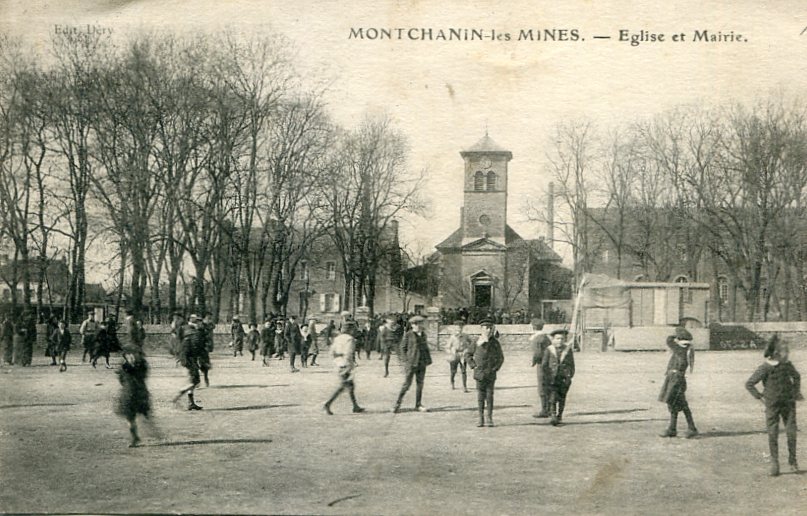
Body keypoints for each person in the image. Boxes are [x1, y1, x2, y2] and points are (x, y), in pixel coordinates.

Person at [746, 336, 803, 476]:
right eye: (786, 352)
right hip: (772, 405)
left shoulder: (787, 365)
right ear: (777, 353)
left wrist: (796, 392)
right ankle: (774, 462)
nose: (788, 354)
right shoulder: (765, 367)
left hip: (788, 404)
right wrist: (760, 398)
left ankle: (792, 461)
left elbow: (796, 377)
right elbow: (750, 384)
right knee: (773, 433)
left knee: (791, 433)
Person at [116, 347, 162, 447]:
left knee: (145, 415)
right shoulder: (124, 366)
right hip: (129, 393)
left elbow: (141, 375)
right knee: (130, 417)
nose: (132, 357)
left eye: (133, 355)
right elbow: (121, 379)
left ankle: (154, 433)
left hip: (138, 393)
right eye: (129, 355)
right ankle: (135, 437)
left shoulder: (141, 365)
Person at [658, 327, 698, 438]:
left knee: (682, 404)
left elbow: (668, 340)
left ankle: (692, 428)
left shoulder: (680, 349)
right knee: (672, 403)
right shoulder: (685, 349)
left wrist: (675, 336)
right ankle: (672, 428)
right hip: (675, 378)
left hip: (675, 380)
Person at [323, 320, 365, 415]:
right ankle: (327, 403)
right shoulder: (350, 339)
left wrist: (337, 360)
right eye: (354, 329)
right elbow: (348, 353)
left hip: (339, 364)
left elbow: (331, 352)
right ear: (350, 330)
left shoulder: (338, 338)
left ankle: (355, 406)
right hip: (346, 365)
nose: (355, 331)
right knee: (342, 386)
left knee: (350, 386)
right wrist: (350, 367)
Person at [393, 315, 432, 413]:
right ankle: (397, 404)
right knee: (407, 384)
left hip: (421, 363)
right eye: (415, 324)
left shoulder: (423, 335)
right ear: (412, 325)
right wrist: (405, 360)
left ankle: (418, 404)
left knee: (420, 384)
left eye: (419, 324)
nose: (417, 326)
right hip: (411, 363)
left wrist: (428, 360)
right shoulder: (408, 334)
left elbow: (425, 348)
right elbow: (402, 348)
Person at [469, 318, 504, 427]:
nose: (488, 330)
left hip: (490, 374)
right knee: (480, 396)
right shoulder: (476, 341)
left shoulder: (495, 342)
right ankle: (480, 418)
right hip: (479, 373)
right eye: (486, 328)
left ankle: (489, 418)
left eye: (490, 328)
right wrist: (473, 365)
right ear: (481, 329)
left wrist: (495, 368)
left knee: (489, 396)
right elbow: (467, 355)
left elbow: (500, 358)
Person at [542, 329, 575, 426]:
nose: (559, 341)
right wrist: (547, 376)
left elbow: (571, 365)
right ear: (553, 339)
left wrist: (569, 375)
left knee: (562, 397)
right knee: (552, 397)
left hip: (563, 378)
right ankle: (553, 415)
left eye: (562, 339)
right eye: (557, 338)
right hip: (552, 377)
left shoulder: (567, 350)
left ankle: (559, 414)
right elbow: (544, 364)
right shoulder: (549, 349)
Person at [173, 314, 205, 410]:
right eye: (199, 321)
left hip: (188, 359)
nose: (201, 323)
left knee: (192, 381)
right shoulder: (193, 333)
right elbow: (191, 348)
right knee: (194, 381)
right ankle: (177, 396)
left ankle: (191, 403)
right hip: (188, 360)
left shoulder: (189, 331)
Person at [529, 318, 552, 418]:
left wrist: (533, 362)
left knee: (542, 386)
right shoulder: (546, 337)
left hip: (542, 364)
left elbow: (537, 353)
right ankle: (550, 409)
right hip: (549, 364)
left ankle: (545, 410)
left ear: (533, 327)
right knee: (548, 385)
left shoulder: (537, 339)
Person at [445, 320, 472, 392]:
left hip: (463, 354)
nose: (459, 329)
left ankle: (464, 386)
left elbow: (471, 343)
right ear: (455, 328)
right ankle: (452, 382)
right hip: (455, 355)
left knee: (463, 371)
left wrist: (467, 350)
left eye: (461, 327)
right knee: (453, 371)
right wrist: (450, 352)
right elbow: (447, 347)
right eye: (457, 327)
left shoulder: (465, 336)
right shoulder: (452, 337)